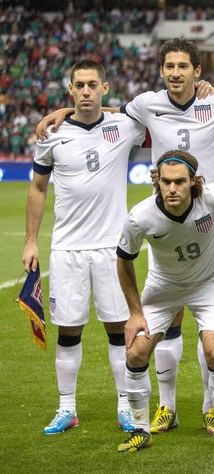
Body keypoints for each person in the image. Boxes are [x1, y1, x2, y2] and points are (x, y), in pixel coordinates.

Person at [35, 39, 214, 436]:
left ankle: (208, 406)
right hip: (164, 219)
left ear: (197, 71)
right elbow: (103, 111)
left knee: (211, 322)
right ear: (162, 70)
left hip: (211, 218)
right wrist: (63, 111)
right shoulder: (147, 104)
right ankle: (166, 407)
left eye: (184, 66)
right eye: (169, 66)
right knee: (169, 320)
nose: (176, 72)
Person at [22, 59, 146, 436]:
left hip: (112, 249)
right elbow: (38, 188)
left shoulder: (124, 126)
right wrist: (30, 241)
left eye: (93, 84)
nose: (87, 91)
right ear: (71, 89)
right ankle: (67, 408)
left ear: (105, 88)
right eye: (80, 85)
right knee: (69, 331)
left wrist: (63, 111)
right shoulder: (52, 136)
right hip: (68, 249)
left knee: (117, 330)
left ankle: (125, 406)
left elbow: (147, 113)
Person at [115, 150, 214, 454]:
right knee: (135, 353)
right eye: (166, 181)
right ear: (156, 181)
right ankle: (140, 428)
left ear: (194, 182)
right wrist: (135, 313)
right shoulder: (140, 216)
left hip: (207, 284)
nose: (172, 189)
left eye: (180, 182)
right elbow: (123, 260)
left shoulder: (212, 198)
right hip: (163, 289)